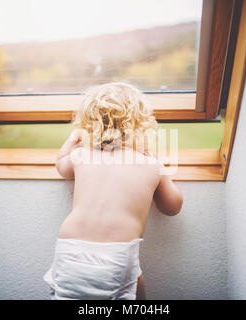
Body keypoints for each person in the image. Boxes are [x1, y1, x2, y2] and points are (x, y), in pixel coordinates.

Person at [43, 82, 183, 300]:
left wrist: (74, 138)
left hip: (68, 250)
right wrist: (161, 167)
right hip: (117, 256)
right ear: (141, 126)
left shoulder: (82, 156)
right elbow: (172, 207)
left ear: (89, 126)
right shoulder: (150, 165)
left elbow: (61, 164)